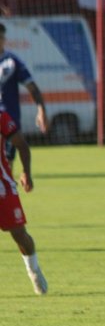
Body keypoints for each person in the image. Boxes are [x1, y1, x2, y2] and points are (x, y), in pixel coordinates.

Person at [1, 109, 48, 295]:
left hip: (3, 187)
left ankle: (33, 270)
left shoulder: (1, 117)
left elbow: (21, 145)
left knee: (20, 235)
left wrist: (26, 172)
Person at [0, 22, 48, 162]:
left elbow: (32, 87)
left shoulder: (11, 61)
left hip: (9, 120)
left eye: (1, 37)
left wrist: (41, 110)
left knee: (7, 164)